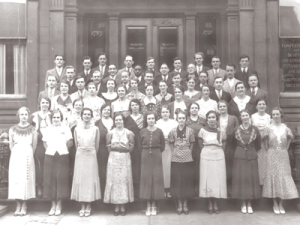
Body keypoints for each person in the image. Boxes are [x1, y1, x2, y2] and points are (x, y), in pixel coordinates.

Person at [262, 107, 299, 214]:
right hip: (272, 154)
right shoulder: (267, 128)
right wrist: (270, 151)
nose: (276, 116)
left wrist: (285, 150)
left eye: (277, 114)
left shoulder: (285, 128)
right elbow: (265, 142)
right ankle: (274, 203)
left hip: (283, 154)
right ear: (271, 116)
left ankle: (281, 204)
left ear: (281, 115)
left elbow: (289, 140)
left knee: (283, 176)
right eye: (273, 114)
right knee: (273, 176)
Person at [42, 109, 73, 216]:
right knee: (50, 179)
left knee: (61, 179)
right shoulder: (48, 129)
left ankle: (59, 204)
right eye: (54, 117)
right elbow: (44, 142)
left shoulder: (66, 128)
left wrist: (63, 150)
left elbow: (70, 142)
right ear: (51, 119)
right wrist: (49, 150)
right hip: (50, 155)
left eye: (58, 117)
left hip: (62, 155)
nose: (56, 119)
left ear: (61, 118)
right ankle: (53, 205)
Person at [71, 108, 101, 217]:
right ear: (81, 116)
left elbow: (96, 145)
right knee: (81, 179)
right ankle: (82, 206)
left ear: (91, 116)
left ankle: (89, 206)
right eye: (85, 114)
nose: (87, 116)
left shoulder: (95, 129)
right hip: (80, 155)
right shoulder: (76, 129)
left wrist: (91, 152)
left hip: (91, 155)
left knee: (89, 180)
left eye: (89, 114)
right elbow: (76, 143)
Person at [8, 107, 37, 216]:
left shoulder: (33, 129)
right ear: (18, 115)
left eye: (25, 114)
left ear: (28, 116)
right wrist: (17, 152)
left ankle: (24, 205)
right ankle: (17, 205)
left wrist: (28, 152)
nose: (24, 117)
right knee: (16, 179)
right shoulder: (12, 129)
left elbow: (34, 145)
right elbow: (11, 144)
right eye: (22, 114)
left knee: (25, 178)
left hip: (27, 155)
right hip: (16, 154)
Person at [104, 114, 135, 216]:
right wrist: (114, 153)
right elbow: (108, 145)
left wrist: (124, 152)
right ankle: (116, 206)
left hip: (125, 158)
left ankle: (123, 206)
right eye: (116, 120)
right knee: (115, 181)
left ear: (123, 121)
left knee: (124, 181)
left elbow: (131, 145)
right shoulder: (110, 133)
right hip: (113, 158)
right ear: (114, 121)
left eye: (120, 120)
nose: (118, 122)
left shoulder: (129, 133)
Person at [232, 110, 261, 214]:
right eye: (243, 116)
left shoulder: (255, 129)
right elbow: (233, 144)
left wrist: (250, 150)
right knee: (241, 180)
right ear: (240, 117)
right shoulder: (236, 129)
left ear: (249, 117)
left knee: (250, 180)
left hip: (251, 156)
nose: (245, 117)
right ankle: (243, 203)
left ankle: (250, 204)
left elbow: (258, 145)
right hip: (239, 157)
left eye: (246, 115)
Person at [198, 111, 227, 214]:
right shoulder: (202, 130)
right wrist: (206, 151)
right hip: (206, 155)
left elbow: (224, 142)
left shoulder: (220, 130)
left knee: (217, 179)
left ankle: (216, 203)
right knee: (207, 178)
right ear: (207, 119)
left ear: (216, 119)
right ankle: (209, 203)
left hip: (218, 154)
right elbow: (200, 142)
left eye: (213, 117)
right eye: (209, 117)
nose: (211, 119)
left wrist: (219, 150)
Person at [168, 110, 195, 215]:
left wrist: (189, 152)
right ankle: (179, 203)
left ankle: (185, 203)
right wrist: (174, 151)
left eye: (183, 118)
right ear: (177, 119)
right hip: (176, 159)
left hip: (187, 158)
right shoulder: (173, 131)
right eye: (180, 118)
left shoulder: (190, 131)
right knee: (178, 181)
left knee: (186, 181)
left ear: (186, 119)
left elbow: (192, 143)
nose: (181, 120)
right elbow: (171, 143)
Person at [138, 112, 165, 216]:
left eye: (152, 118)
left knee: (156, 179)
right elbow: (139, 146)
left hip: (156, 155)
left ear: (155, 120)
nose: (151, 120)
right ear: (146, 120)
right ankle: (148, 205)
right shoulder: (142, 131)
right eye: (149, 118)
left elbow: (162, 146)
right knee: (146, 180)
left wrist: (155, 152)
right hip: (145, 156)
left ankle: (154, 205)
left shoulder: (159, 131)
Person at [29, 97, 52, 199]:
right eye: (43, 103)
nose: (45, 105)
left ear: (49, 104)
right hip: (39, 143)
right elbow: (29, 130)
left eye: (47, 103)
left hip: (51, 142)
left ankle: (49, 187)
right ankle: (39, 186)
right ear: (40, 104)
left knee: (50, 164)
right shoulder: (34, 116)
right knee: (40, 164)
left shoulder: (52, 115)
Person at [156, 105, 178, 198]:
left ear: (170, 113)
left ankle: (169, 190)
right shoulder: (157, 123)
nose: (165, 114)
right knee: (162, 168)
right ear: (160, 113)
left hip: (171, 146)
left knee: (170, 168)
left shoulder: (174, 123)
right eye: (163, 112)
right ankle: (162, 189)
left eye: (167, 112)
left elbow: (177, 134)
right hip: (161, 147)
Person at [124, 99, 144, 198]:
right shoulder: (127, 119)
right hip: (131, 148)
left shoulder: (144, 118)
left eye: (136, 105)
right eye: (133, 105)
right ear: (130, 107)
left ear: (139, 106)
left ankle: (140, 194)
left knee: (141, 169)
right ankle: (132, 194)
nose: (135, 107)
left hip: (142, 147)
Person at [218, 100, 239, 194]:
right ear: (218, 108)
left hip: (230, 144)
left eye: (224, 106)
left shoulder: (233, 118)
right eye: (220, 107)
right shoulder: (216, 118)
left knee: (229, 164)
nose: (222, 108)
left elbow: (238, 131)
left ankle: (230, 188)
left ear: (227, 107)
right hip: (218, 144)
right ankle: (221, 188)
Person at [185, 103, 205, 195]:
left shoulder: (203, 121)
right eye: (192, 108)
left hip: (200, 144)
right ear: (189, 110)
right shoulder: (185, 121)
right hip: (188, 145)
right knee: (189, 166)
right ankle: (190, 187)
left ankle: (198, 187)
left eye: (196, 108)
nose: (194, 109)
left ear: (198, 109)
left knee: (199, 165)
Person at [95, 104, 114, 197]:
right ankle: (103, 196)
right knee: (102, 172)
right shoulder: (97, 123)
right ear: (101, 111)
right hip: (101, 150)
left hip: (114, 150)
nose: (106, 111)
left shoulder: (115, 122)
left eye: (108, 110)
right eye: (104, 110)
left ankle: (112, 196)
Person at [251, 99, 271, 185]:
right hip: (256, 143)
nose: (261, 106)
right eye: (259, 104)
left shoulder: (269, 117)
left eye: (263, 104)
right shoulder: (252, 117)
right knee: (257, 163)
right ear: (256, 106)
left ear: (266, 106)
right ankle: (257, 183)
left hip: (266, 143)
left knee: (265, 163)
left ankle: (265, 184)